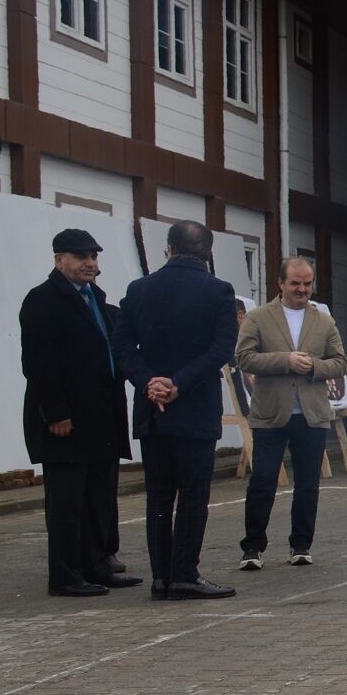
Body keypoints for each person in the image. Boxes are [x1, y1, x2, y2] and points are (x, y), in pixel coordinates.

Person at [111, 218, 238, 600]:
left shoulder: (138, 290)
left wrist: (150, 382)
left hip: (152, 410)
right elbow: (220, 350)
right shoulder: (219, 292)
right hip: (194, 409)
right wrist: (178, 384)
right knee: (194, 494)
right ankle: (184, 573)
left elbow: (121, 348)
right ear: (208, 254)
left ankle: (160, 577)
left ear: (167, 250)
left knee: (159, 495)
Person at [20, 228, 139, 597]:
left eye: (94, 257)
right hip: (66, 423)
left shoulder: (97, 300)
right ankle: (66, 575)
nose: (90, 264)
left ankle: (98, 565)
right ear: (59, 260)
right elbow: (38, 365)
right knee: (67, 503)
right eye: (81, 257)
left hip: (101, 419)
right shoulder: (43, 301)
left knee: (98, 499)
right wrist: (55, 412)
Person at [232, 257, 347, 569]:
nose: (302, 289)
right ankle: (253, 548)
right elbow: (243, 358)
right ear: (281, 283)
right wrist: (285, 360)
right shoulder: (258, 317)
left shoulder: (323, 321)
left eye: (307, 284)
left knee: (308, 484)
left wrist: (313, 366)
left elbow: (340, 362)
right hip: (271, 412)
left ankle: (301, 545)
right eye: (295, 283)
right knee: (263, 480)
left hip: (311, 414)